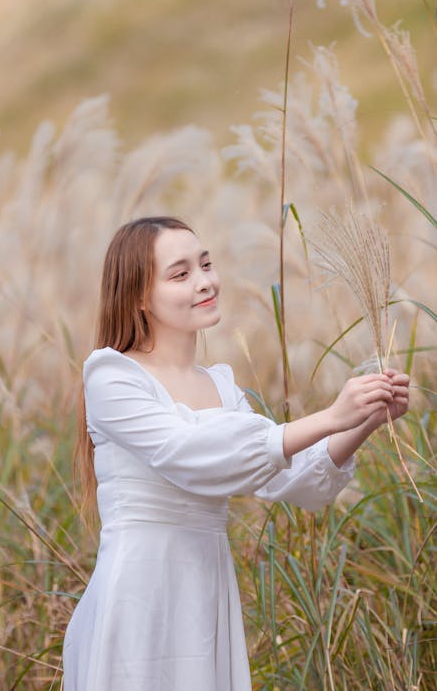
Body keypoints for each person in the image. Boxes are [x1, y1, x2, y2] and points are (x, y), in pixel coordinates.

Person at [62, 215, 409, 691]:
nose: (205, 282)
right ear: (140, 296)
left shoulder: (221, 386)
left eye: (206, 264)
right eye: (181, 274)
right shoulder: (111, 375)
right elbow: (190, 452)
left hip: (205, 591)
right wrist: (330, 415)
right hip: (140, 591)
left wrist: (364, 418)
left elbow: (296, 480)